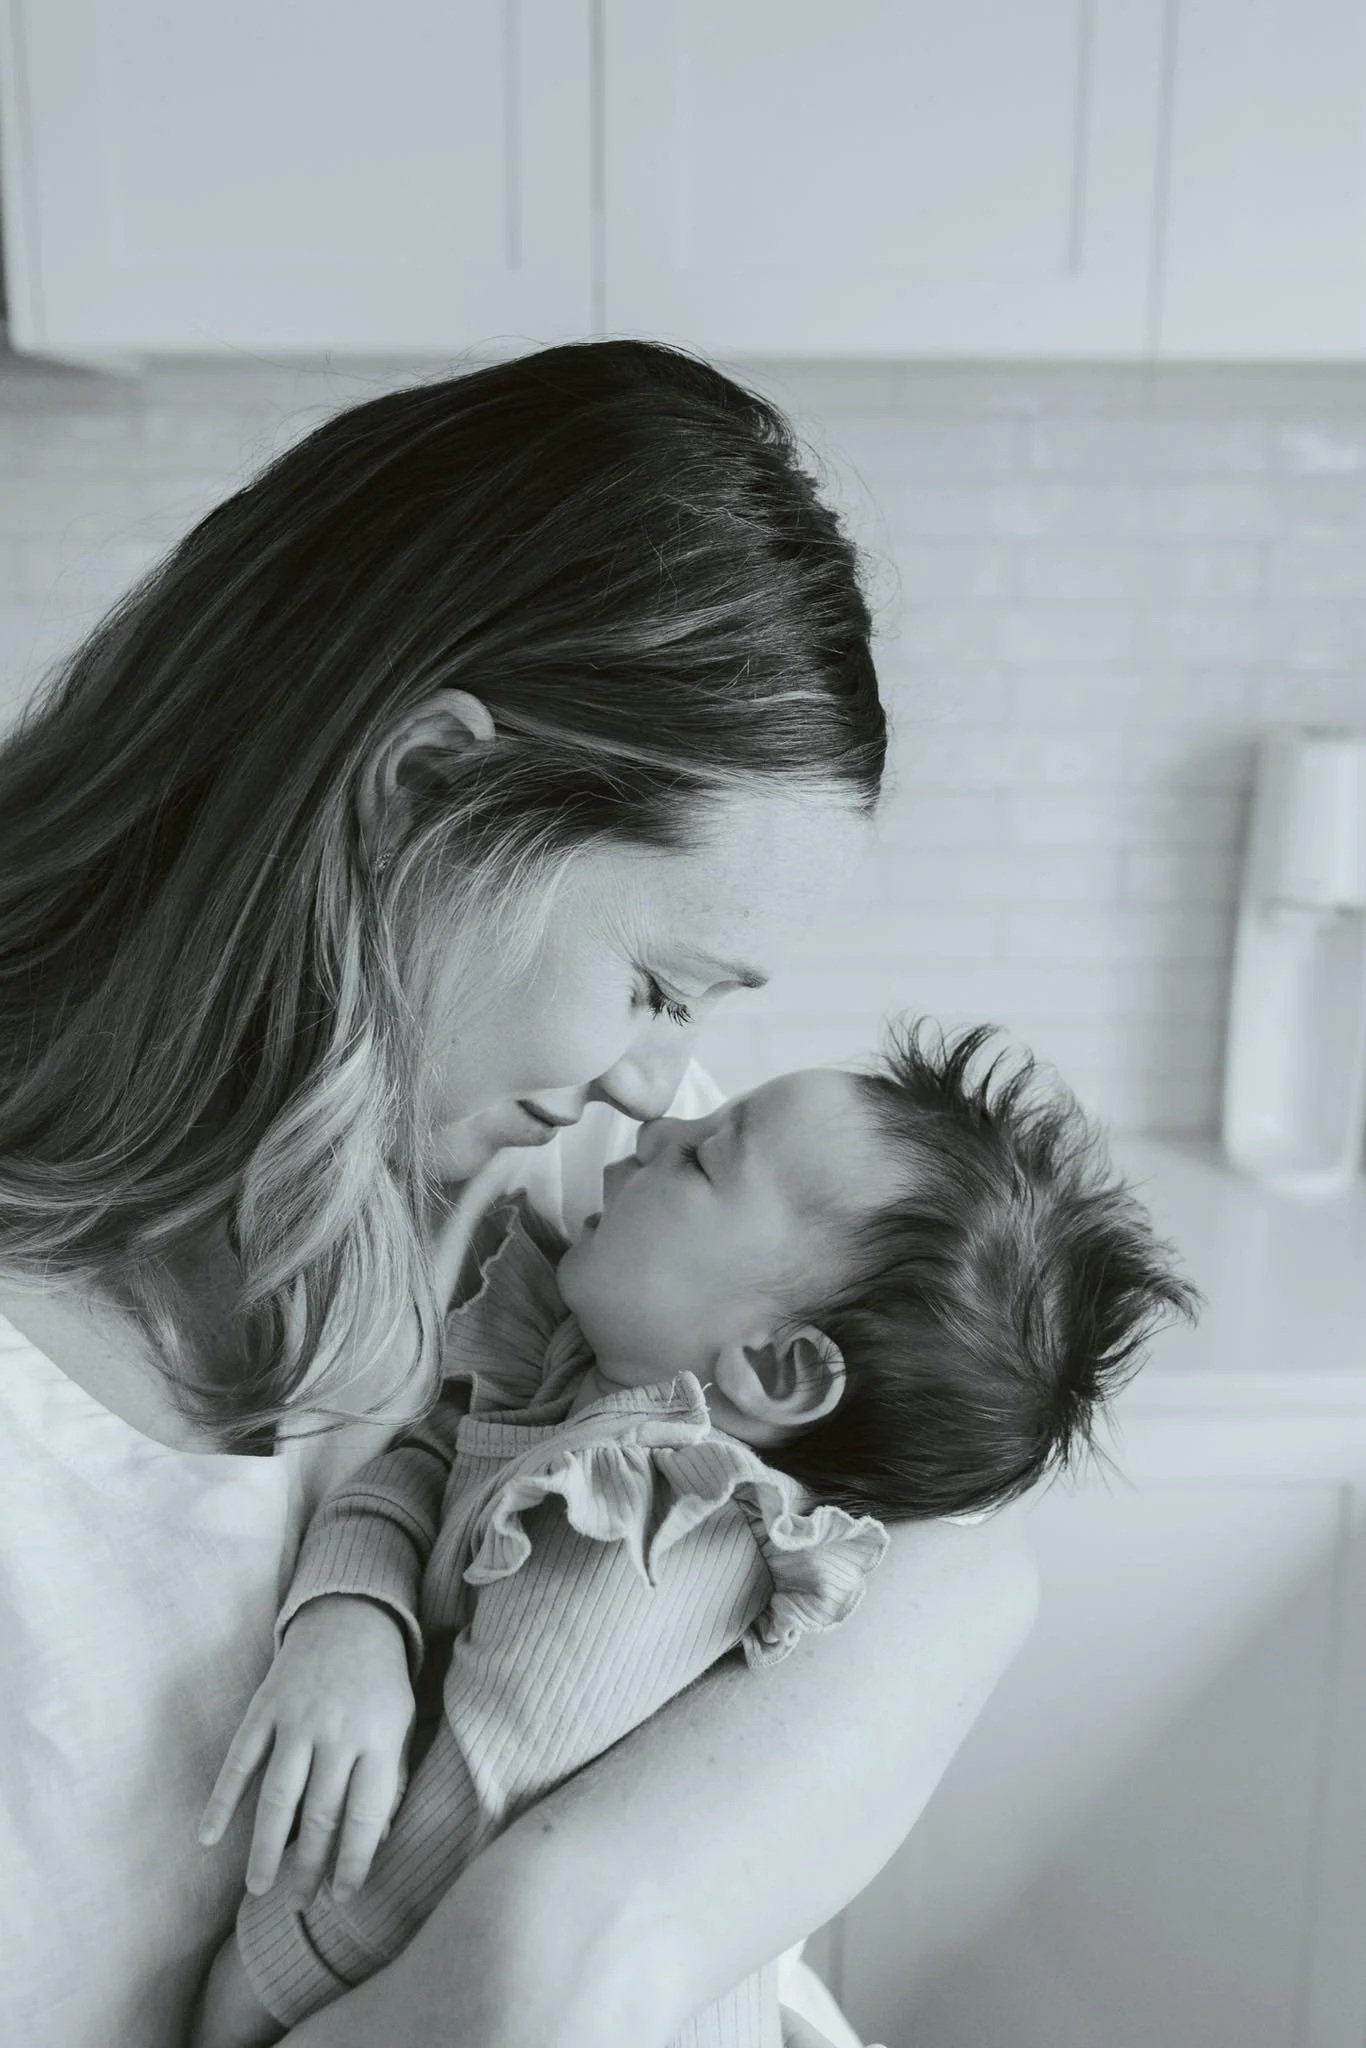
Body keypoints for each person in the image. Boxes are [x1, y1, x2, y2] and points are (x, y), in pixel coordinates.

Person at [0, 338, 1039, 2048]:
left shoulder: (584, 1171)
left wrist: (558, 1942)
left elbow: (964, 1556)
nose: (659, 1080)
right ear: (420, 793)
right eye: (656, 981)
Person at [190, 1021, 1197, 2048]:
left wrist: (274, 1975)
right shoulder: (583, 1374)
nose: (662, 1119)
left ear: (775, 1367)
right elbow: (413, 1463)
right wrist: (351, 1615)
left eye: (707, 1153)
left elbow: (473, 1815)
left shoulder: (645, 1541)